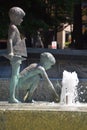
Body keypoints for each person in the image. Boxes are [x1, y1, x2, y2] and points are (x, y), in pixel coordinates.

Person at [7, 7, 27, 103]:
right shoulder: (13, 27)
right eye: (20, 18)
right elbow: (10, 40)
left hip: (17, 54)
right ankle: (11, 97)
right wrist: (10, 52)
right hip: (15, 55)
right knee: (14, 76)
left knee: (15, 75)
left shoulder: (13, 27)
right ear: (15, 17)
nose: (22, 20)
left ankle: (13, 96)